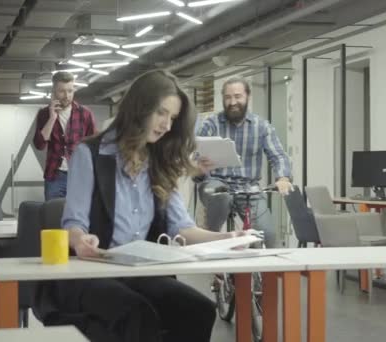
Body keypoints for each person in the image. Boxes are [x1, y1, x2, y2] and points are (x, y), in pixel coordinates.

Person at [37, 70, 247, 342]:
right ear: (140, 108)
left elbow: (182, 228)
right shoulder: (89, 154)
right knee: (137, 314)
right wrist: (81, 241)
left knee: (199, 309)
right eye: (161, 113)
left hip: (141, 271)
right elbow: (74, 224)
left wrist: (227, 238)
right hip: (93, 274)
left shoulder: (161, 160)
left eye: (172, 118)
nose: (167, 125)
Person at [195, 77, 293, 248]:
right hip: (215, 184)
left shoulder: (261, 126)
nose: (233, 102)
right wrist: (199, 167)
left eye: (238, 96)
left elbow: (278, 155)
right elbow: (195, 156)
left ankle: (265, 271)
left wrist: (283, 177)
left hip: (248, 188)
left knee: (267, 235)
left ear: (248, 96)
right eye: (228, 97)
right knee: (221, 196)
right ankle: (210, 237)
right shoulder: (211, 124)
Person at [33, 71, 96, 200]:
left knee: (79, 217)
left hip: (79, 175)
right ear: (54, 91)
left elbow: (94, 145)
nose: (67, 96)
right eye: (62, 91)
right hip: (54, 176)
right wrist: (52, 118)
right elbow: (39, 145)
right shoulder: (44, 114)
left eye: (70, 91)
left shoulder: (85, 113)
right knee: (53, 216)